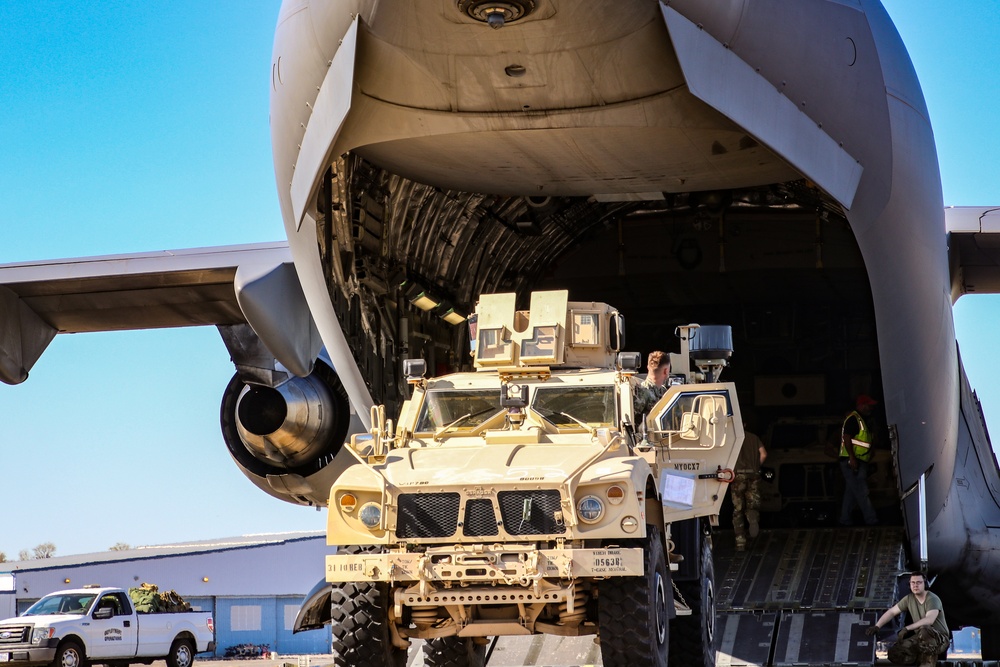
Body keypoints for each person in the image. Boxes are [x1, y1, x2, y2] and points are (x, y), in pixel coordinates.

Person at [866, 572, 950, 667]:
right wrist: (877, 626)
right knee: (895, 653)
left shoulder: (932, 599)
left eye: (919, 582)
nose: (915, 585)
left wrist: (907, 628)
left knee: (925, 630)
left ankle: (927, 663)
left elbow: (929, 620)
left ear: (925, 584)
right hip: (920, 637)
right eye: (913, 583)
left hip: (939, 639)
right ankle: (917, 659)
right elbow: (892, 612)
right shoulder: (909, 599)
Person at [839, 394, 879, 526]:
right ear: (862, 405)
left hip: (858, 461)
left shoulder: (862, 420)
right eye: (869, 405)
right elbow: (847, 437)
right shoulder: (854, 419)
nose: (871, 408)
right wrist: (852, 457)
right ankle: (871, 520)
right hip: (852, 462)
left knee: (851, 492)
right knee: (862, 491)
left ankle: (844, 520)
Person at [732, 424, 767, 551]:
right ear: (745, 425)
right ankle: (752, 518)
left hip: (738, 476)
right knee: (752, 503)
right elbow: (763, 454)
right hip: (753, 474)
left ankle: (740, 541)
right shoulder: (754, 437)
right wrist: (756, 467)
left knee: (738, 509)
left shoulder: (733, 438)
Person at [633, 350, 670, 417]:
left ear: (648, 367)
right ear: (666, 371)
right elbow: (633, 420)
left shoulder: (663, 391)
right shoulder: (643, 392)